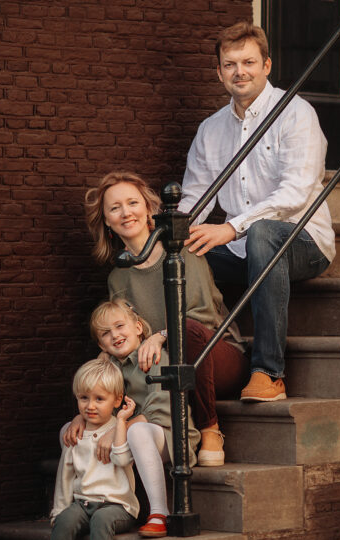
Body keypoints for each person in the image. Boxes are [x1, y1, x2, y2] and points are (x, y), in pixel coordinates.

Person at [179, 21, 335, 403]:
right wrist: (172, 237)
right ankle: (206, 353)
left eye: (248, 62)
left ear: (266, 65)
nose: (239, 72)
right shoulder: (210, 129)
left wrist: (231, 228)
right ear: (218, 72)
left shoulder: (296, 114)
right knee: (179, 257)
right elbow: (194, 199)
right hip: (240, 250)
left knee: (263, 232)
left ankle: (268, 372)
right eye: (230, 65)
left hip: (303, 241)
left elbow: (295, 194)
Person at [83, 170, 249, 465]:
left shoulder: (183, 252)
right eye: (115, 208)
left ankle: (210, 428)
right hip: (165, 368)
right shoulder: (118, 277)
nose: (126, 213)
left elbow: (205, 317)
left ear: (148, 209)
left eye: (132, 203)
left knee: (187, 329)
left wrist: (160, 336)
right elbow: (123, 331)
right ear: (107, 220)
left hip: (216, 357)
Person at [65, 299, 201, 539]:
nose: (115, 335)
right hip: (127, 437)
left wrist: (119, 428)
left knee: (137, 432)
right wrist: (80, 419)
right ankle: (91, 505)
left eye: (120, 326)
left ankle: (159, 513)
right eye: (106, 333)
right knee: (72, 432)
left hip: (170, 436)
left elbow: (157, 413)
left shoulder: (155, 357)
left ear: (138, 327)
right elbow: (96, 402)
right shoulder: (108, 368)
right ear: (101, 344)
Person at [38, 358, 139, 540]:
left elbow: (123, 458)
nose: (90, 406)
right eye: (84, 398)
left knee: (103, 520)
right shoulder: (76, 434)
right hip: (83, 503)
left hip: (118, 506)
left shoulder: (120, 428)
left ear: (117, 400)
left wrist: (122, 422)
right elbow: (65, 474)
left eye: (99, 399)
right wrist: (59, 510)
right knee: (65, 520)